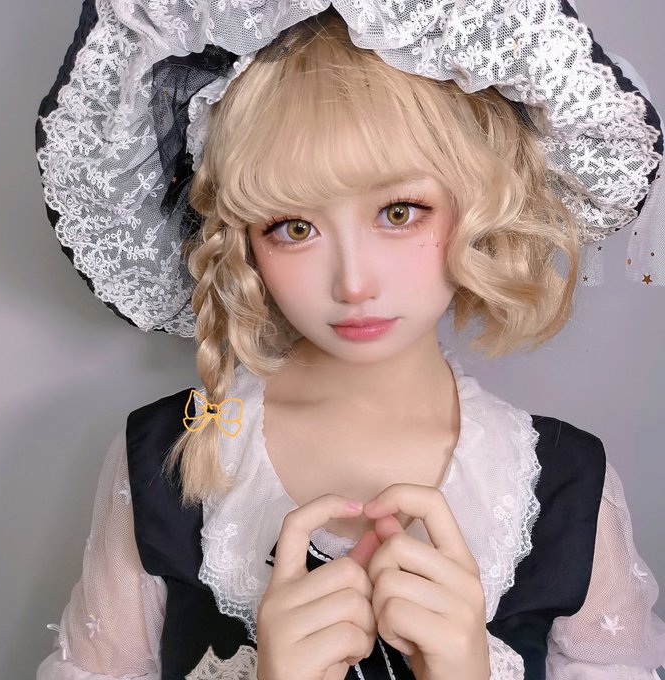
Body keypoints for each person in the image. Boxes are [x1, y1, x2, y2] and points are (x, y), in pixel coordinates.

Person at [35, 1, 665, 679]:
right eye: (293, 228)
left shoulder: (568, 484)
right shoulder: (163, 456)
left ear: (479, 205)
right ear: (242, 242)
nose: (353, 282)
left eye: (398, 212)